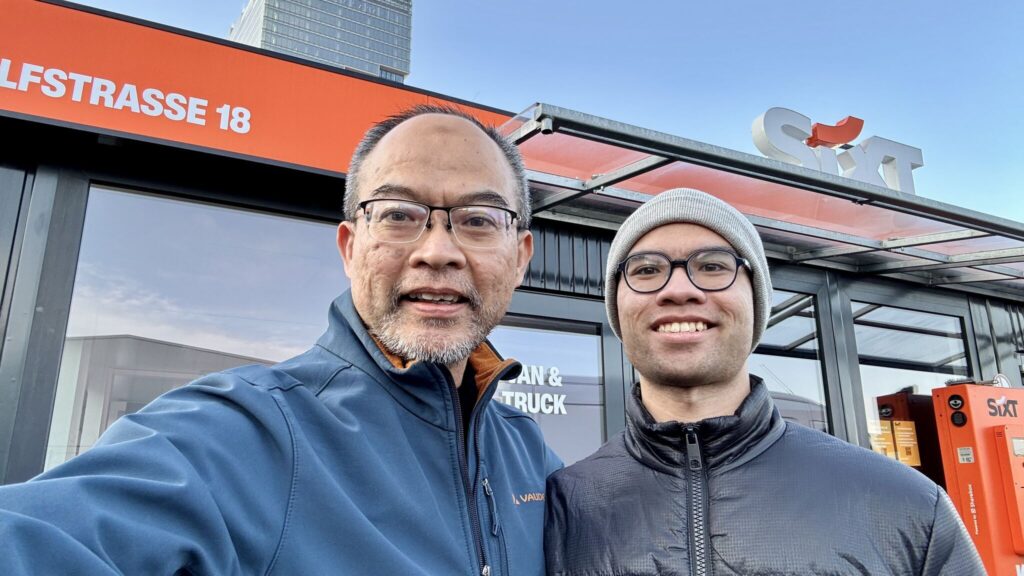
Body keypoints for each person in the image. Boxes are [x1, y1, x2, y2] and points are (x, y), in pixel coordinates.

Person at [0, 105, 561, 575]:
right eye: (398, 214)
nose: (437, 251)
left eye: (479, 220)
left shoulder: (528, 451)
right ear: (350, 249)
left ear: (520, 258)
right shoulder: (242, 434)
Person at [544, 188, 984, 575]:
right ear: (617, 308)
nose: (678, 289)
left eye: (712, 266)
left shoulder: (906, 505)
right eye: (645, 270)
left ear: (757, 303)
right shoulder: (560, 507)